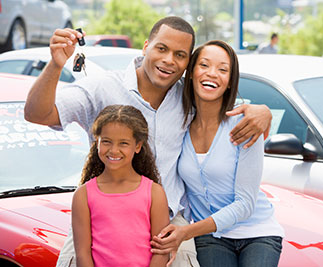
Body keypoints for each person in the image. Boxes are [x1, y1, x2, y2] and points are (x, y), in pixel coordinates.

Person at [24, 16, 272, 267]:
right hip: (99, 223)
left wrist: (263, 112)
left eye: (180, 54)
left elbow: (220, 103)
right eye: (161, 49)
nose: (168, 60)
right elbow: (37, 114)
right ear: (145, 47)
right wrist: (56, 65)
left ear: (187, 63)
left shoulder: (188, 99)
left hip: (169, 229)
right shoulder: (103, 87)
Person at [151, 40, 284, 266]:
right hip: (211, 237)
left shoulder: (245, 125)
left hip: (257, 233)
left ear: (230, 82)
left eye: (223, 70)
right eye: (204, 65)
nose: (212, 74)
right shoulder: (179, 126)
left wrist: (187, 232)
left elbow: (245, 204)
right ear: (191, 73)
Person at [72, 105, 169, 266]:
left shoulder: (154, 193)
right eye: (107, 142)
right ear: (97, 142)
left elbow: (161, 251)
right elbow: (83, 254)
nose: (114, 150)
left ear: (138, 146)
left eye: (123, 143)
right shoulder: (83, 195)